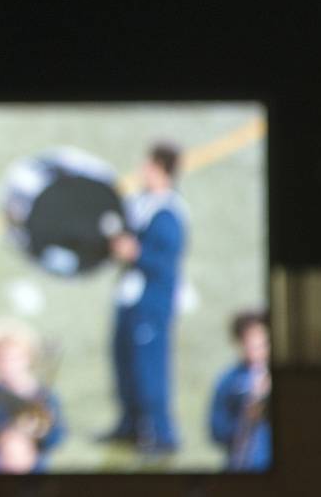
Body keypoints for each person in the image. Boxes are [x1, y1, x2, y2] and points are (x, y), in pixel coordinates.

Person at [100, 142, 188, 454]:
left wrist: (136, 253)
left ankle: (162, 435)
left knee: (149, 368)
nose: (143, 171)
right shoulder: (142, 202)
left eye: (149, 166)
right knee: (124, 363)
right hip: (130, 298)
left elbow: (166, 263)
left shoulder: (168, 212)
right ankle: (130, 426)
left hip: (151, 303)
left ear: (163, 170)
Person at [0, 321, 66, 473]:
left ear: (28, 358)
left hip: (34, 471)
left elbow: (57, 436)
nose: (8, 364)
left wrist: (39, 432)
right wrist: (3, 438)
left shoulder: (45, 397)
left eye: (15, 358)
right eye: (1, 358)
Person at [209, 310, 272, 471]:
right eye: (249, 343)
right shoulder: (228, 381)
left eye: (262, 343)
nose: (256, 349)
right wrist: (246, 415)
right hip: (240, 468)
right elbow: (217, 430)